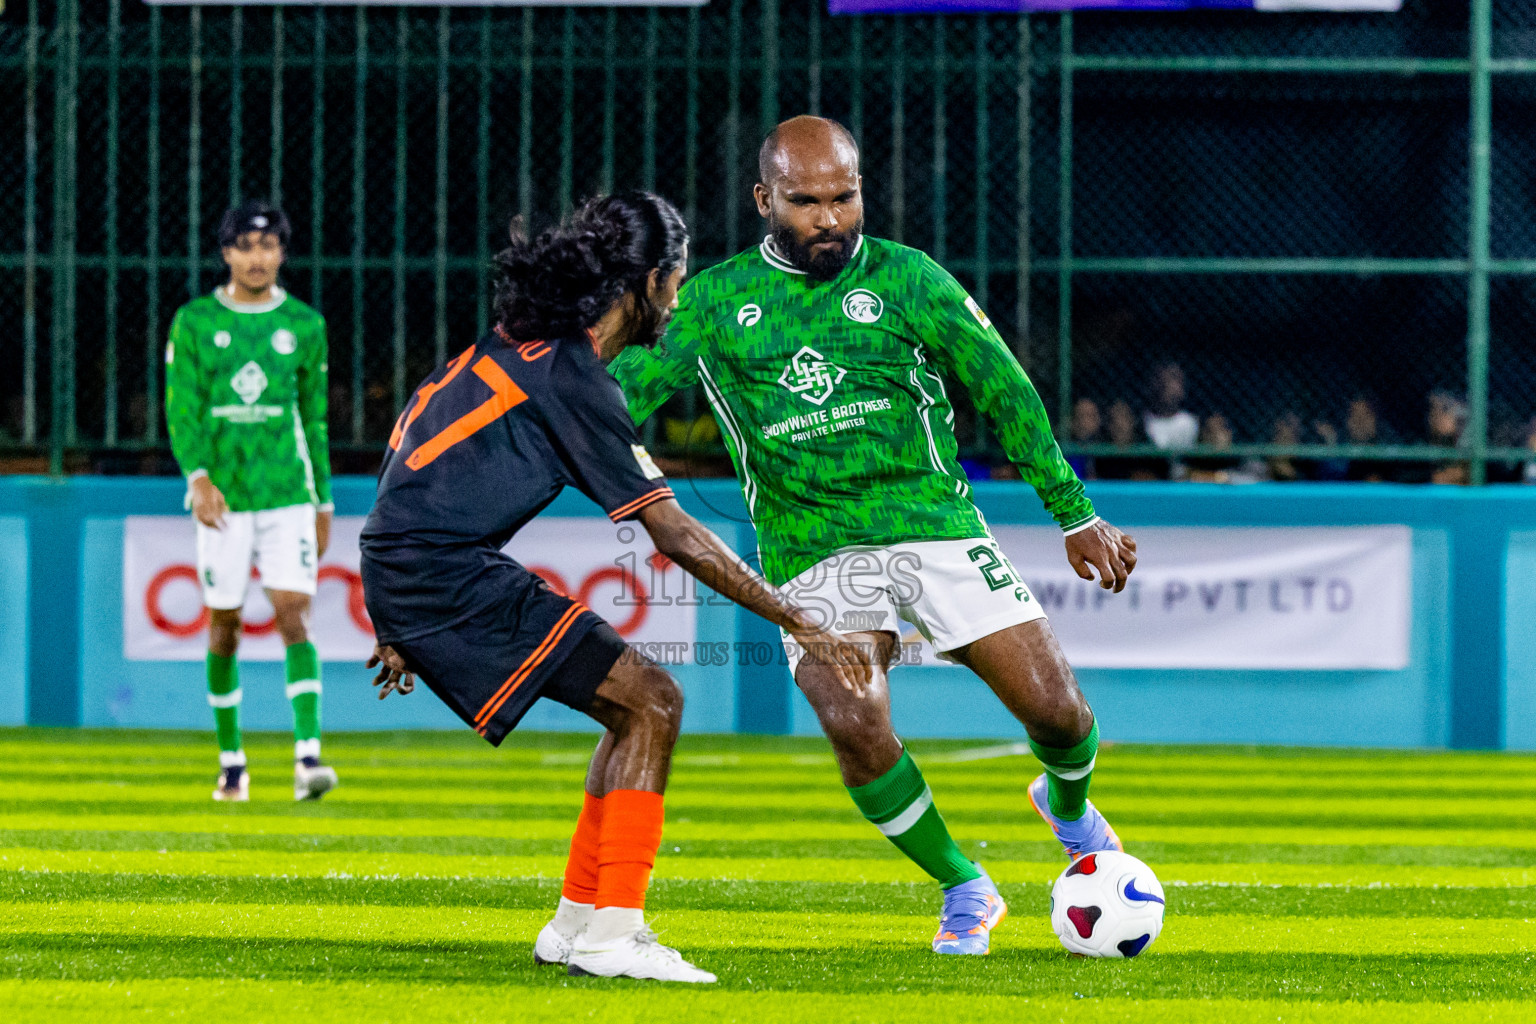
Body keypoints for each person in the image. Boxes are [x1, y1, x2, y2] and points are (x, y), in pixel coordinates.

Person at [609, 116, 1138, 956]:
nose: (829, 218)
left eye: (844, 197)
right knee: (852, 718)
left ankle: (1067, 810)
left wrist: (1072, 509)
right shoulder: (711, 305)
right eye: (806, 202)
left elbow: (1004, 389)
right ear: (764, 200)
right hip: (812, 545)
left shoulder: (909, 278)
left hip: (931, 521)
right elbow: (608, 405)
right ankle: (964, 884)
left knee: (1060, 714)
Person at [359, 192, 870, 984]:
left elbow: (410, 436)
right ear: (645, 284)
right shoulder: (573, 379)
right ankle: (614, 933)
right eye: (677, 277)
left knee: (625, 704)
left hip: (418, 566)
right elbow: (676, 533)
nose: (680, 293)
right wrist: (800, 618)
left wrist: (392, 604)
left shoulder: (519, 347)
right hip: (439, 571)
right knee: (653, 702)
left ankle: (576, 923)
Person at [164, 199, 337, 803]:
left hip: (287, 493)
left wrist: (324, 502)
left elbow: (313, 420)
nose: (257, 257)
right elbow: (182, 411)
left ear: (282, 253)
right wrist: (199, 478)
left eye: (268, 246)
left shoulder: (306, 326)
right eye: (245, 245)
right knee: (225, 629)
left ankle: (307, 757)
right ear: (226, 253)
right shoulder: (193, 322)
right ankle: (232, 761)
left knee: (295, 614)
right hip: (224, 501)